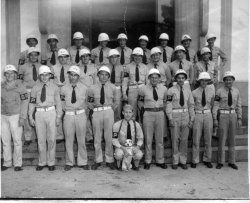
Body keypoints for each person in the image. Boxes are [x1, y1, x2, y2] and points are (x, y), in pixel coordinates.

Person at [29, 65, 62, 171]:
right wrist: (30, 116)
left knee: (52, 139)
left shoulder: (55, 87)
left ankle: (51, 162)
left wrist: (58, 116)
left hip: (51, 112)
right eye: (42, 75)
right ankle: (42, 162)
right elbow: (32, 103)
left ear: (50, 75)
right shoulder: (35, 87)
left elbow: (58, 103)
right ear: (39, 76)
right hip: (39, 113)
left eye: (46, 75)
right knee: (41, 139)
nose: (44, 77)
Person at [87, 66, 119, 170]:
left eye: (106, 75)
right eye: (102, 74)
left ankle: (109, 160)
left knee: (109, 136)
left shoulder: (113, 87)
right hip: (97, 112)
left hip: (108, 111)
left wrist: (110, 110)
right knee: (97, 136)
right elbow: (89, 102)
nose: (104, 77)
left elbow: (117, 101)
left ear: (109, 76)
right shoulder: (92, 88)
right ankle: (98, 160)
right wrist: (96, 110)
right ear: (98, 75)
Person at [138, 68, 168, 170]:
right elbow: (140, 102)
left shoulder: (164, 89)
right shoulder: (143, 89)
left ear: (159, 78)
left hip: (159, 113)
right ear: (149, 78)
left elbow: (166, 101)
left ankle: (160, 160)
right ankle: (148, 160)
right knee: (148, 139)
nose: (154, 79)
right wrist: (144, 111)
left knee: (160, 139)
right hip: (148, 114)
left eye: (156, 77)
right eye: (152, 77)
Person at [60, 65, 89, 171]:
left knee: (81, 139)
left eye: (75, 75)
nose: (73, 77)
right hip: (68, 115)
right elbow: (62, 103)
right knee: (68, 140)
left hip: (80, 114)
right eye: (71, 75)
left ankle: (83, 161)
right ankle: (69, 162)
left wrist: (82, 112)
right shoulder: (63, 88)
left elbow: (87, 103)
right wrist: (67, 111)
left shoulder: (85, 88)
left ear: (79, 76)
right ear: (68, 75)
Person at [1, 65, 29, 171]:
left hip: (16, 116)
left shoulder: (20, 87)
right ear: (4, 75)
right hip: (3, 116)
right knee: (5, 140)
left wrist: (22, 117)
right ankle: (7, 162)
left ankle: (17, 164)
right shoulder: (1, 86)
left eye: (12, 73)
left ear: (15, 75)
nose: (9, 75)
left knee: (17, 140)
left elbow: (25, 102)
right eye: (7, 73)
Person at [213, 71, 242, 170]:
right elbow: (216, 105)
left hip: (233, 115)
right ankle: (220, 161)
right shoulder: (219, 91)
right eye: (226, 79)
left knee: (232, 139)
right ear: (224, 81)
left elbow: (238, 105)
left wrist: (239, 118)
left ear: (233, 80)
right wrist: (215, 118)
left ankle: (231, 161)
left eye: (230, 79)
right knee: (222, 139)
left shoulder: (236, 91)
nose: (228, 81)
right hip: (223, 116)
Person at [166, 69, 195, 170]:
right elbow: (168, 105)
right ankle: (175, 161)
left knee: (184, 140)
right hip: (175, 115)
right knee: (175, 139)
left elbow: (191, 105)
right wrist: (170, 118)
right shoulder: (170, 90)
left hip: (185, 115)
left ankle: (183, 160)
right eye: (179, 77)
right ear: (176, 79)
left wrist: (192, 118)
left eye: (183, 78)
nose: (181, 79)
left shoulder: (188, 90)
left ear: (185, 79)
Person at [18, 47, 41, 146]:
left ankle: (38, 136)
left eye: (35, 55)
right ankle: (28, 136)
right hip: (27, 91)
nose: (33, 57)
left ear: (37, 56)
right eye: (31, 55)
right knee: (27, 113)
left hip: (38, 92)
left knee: (37, 113)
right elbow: (19, 81)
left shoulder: (41, 66)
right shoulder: (22, 67)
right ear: (28, 56)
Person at [191, 72, 215, 168]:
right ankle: (195, 160)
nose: (204, 82)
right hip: (198, 115)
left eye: (206, 80)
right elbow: (191, 106)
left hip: (208, 114)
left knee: (208, 138)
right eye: (202, 80)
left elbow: (212, 104)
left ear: (208, 81)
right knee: (196, 138)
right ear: (199, 81)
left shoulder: (212, 91)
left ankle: (207, 159)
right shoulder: (194, 92)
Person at [112, 104, 143, 171]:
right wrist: (122, 148)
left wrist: (137, 147)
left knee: (139, 154)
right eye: (126, 112)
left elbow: (140, 138)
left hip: (132, 146)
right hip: (121, 146)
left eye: (130, 112)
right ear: (123, 113)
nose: (128, 114)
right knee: (119, 155)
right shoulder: (117, 125)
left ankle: (135, 164)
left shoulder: (136, 125)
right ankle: (119, 164)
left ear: (132, 113)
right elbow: (114, 140)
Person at [51, 48, 71, 143]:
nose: (63, 59)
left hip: (68, 90)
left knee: (68, 112)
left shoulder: (71, 67)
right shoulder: (53, 68)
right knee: (58, 113)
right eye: (61, 57)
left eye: (65, 57)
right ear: (58, 58)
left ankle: (69, 135)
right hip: (57, 90)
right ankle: (59, 135)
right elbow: (50, 81)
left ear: (68, 58)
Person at [122, 47, 148, 122]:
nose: (137, 58)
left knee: (142, 110)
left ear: (142, 57)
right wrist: (124, 93)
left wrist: (147, 93)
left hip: (142, 89)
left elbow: (148, 82)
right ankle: (132, 129)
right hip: (132, 90)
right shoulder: (127, 67)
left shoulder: (145, 67)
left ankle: (141, 129)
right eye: (135, 56)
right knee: (131, 111)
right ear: (132, 56)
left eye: (139, 56)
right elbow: (124, 81)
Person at [78, 48, 98, 142]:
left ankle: (97, 135)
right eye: (83, 56)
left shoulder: (94, 67)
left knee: (94, 115)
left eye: (87, 56)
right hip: (81, 95)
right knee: (84, 115)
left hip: (91, 94)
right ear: (80, 58)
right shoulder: (77, 68)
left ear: (89, 57)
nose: (85, 58)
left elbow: (96, 82)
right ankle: (88, 136)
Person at [106, 49, 125, 121]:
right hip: (108, 88)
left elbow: (123, 81)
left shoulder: (121, 68)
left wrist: (123, 93)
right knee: (108, 107)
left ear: (118, 58)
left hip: (117, 89)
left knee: (118, 108)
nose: (113, 59)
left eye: (115, 57)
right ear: (109, 58)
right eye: (112, 57)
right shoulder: (106, 67)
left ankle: (117, 126)